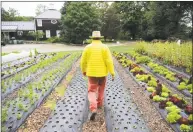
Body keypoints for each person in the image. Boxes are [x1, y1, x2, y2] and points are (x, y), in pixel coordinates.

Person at [80, 31, 115, 121]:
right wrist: (112, 72)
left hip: (91, 73)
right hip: (102, 73)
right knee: (101, 88)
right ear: (100, 38)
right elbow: (109, 61)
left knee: (91, 90)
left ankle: (93, 108)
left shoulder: (87, 48)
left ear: (92, 38)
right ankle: (99, 104)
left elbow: (83, 61)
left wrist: (84, 70)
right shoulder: (105, 47)